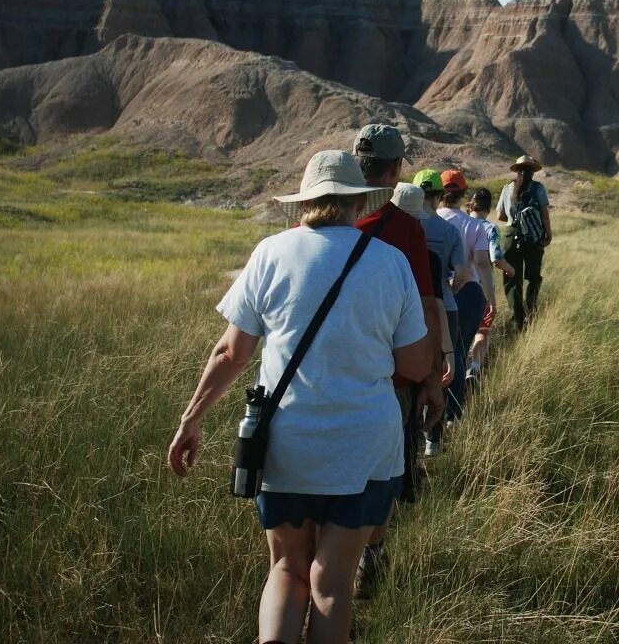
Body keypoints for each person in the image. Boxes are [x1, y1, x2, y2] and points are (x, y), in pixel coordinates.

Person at [167, 150, 429, 644]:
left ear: (306, 201)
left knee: (287, 570)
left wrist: (191, 419)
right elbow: (415, 366)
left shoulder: (271, 252)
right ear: (358, 202)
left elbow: (230, 353)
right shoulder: (391, 263)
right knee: (332, 584)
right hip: (364, 444)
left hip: (289, 442)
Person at [350, 124, 447, 596]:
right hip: (390, 377)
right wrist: (432, 376)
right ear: (396, 169)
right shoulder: (406, 229)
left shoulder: (316, 219)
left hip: (320, 375)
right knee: (383, 468)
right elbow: (427, 307)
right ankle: (369, 552)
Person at [410, 170, 472, 454]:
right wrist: (449, 291)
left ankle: (408, 433)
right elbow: (461, 273)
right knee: (441, 372)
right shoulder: (449, 232)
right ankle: (432, 440)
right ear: (438, 196)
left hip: (409, 307)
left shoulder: (407, 226)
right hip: (444, 306)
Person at [436, 170, 493, 414]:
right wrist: (491, 298)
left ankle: (430, 413)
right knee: (459, 351)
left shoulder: (430, 220)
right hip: (468, 292)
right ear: (463, 194)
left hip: (433, 294)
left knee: (434, 353)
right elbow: (481, 263)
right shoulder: (474, 225)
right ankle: (453, 412)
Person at [495, 155, 552, 331]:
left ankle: (516, 321)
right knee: (534, 278)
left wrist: (514, 217)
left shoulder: (507, 188)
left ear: (517, 171)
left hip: (510, 236)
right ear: (532, 172)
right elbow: (544, 214)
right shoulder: (538, 188)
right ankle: (531, 314)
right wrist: (548, 235)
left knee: (512, 279)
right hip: (533, 238)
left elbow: (500, 216)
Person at [466, 187, 515, 373]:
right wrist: (509, 269)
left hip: (457, 286)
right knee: (482, 332)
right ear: (489, 208)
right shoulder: (489, 228)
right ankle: (475, 368)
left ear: (470, 205)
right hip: (481, 289)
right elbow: (496, 259)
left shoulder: (459, 224)